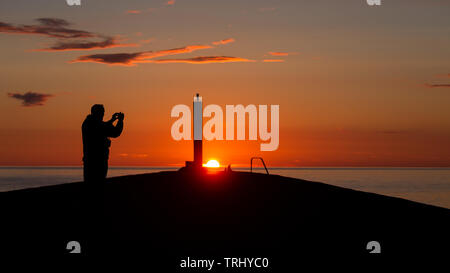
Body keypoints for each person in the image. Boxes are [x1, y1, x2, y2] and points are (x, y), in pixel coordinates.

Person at [82, 104, 124, 184]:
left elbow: (102, 126)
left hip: (90, 161)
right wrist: (120, 121)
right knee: (98, 184)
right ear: (97, 113)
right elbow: (115, 132)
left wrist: (112, 120)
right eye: (102, 113)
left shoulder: (87, 123)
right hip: (98, 161)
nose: (103, 115)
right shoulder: (95, 125)